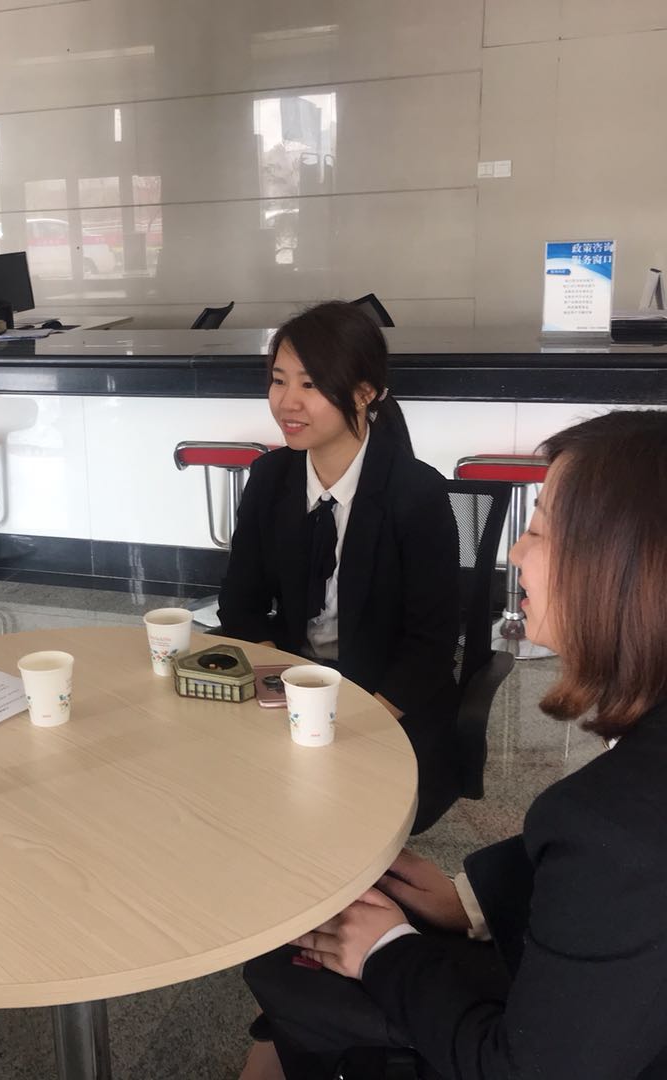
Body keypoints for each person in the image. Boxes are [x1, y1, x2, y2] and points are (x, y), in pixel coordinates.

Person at [244, 409, 667, 1079]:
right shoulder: (272, 480)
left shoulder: (612, 823)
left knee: (286, 965)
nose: (516, 554)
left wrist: (386, 950)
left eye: (539, 529)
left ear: (620, 568)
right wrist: (473, 904)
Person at [217, 301, 461, 833]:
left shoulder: (415, 493)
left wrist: (353, 719)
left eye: (310, 385)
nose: (287, 402)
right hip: (291, 682)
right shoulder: (270, 478)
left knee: (334, 814)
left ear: (364, 392)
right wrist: (279, 688)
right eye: (278, 380)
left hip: (387, 700)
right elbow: (240, 604)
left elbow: (431, 644)